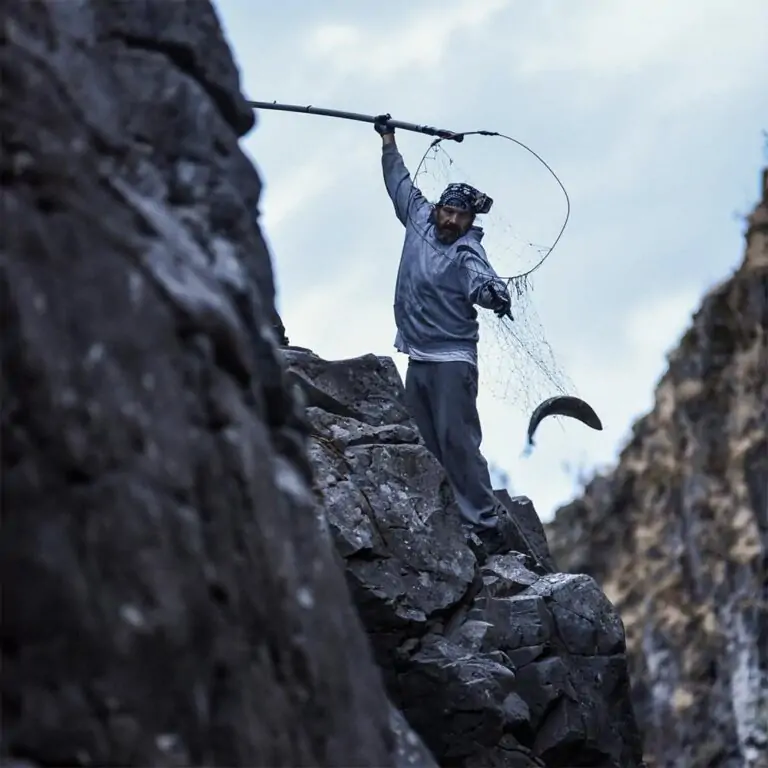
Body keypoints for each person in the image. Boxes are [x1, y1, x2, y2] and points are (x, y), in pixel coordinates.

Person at [374, 114, 513, 554]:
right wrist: (388, 140)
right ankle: (451, 516)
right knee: (426, 439)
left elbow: (483, 280)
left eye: (460, 216)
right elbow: (398, 183)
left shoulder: (468, 249)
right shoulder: (417, 218)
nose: (451, 220)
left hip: (453, 360)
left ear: (471, 222)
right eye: (447, 210)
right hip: (417, 355)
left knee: (457, 439)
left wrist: (494, 294)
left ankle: (485, 524)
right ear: (436, 208)